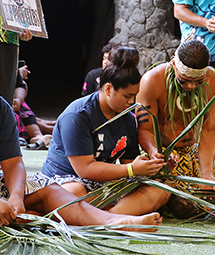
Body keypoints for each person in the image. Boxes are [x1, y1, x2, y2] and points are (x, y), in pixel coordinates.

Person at [0, 49, 162, 233]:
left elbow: (14, 162)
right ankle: (25, 219)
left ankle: (109, 222)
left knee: (49, 188)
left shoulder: (0, 108)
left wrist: (15, 196)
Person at [41, 47, 168, 216]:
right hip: (66, 181)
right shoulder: (78, 115)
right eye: (127, 96)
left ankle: (111, 217)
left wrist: (153, 166)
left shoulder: (129, 119)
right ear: (108, 89)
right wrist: (132, 169)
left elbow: (129, 163)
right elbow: (85, 170)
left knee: (161, 190)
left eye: (135, 96)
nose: (132, 102)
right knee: (75, 192)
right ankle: (119, 215)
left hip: (103, 185)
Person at [136, 40, 215, 214]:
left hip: (191, 151)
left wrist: (207, 173)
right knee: (187, 207)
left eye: (198, 82)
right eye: (184, 81)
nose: (191, 86)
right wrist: (154, 152)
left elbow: (210, 131)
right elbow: (145, 129)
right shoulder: (153, 80)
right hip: (162, 154)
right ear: (174, 65)